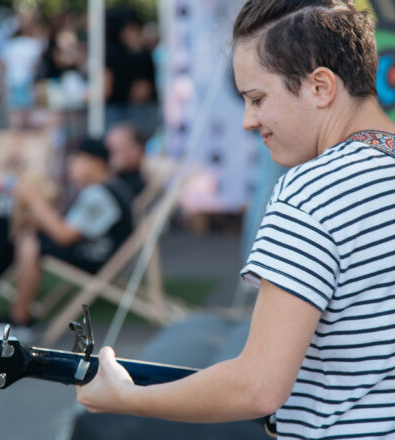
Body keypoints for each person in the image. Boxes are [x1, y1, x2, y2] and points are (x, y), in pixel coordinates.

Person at [76, 1, 395, 438]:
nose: (249, 121)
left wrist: (128, 400)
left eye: (258, 99)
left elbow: (258, 387)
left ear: (321, 87)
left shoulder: (309, 192)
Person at [10, 137, 133, 327]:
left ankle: (19, 319)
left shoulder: (100, 194)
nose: (71, 165)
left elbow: (64, 236)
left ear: (96, 163)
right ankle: (20, 314)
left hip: (99, 259)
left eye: (77, 159)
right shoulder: (108, 188)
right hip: (102, 255)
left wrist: (34, 199)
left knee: (31, 244)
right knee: (31, 237)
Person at [105, 122, 146, 198]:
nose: (110, 157)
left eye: (115, 151)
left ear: (137, 149)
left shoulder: (149, 177)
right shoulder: (112, 179)